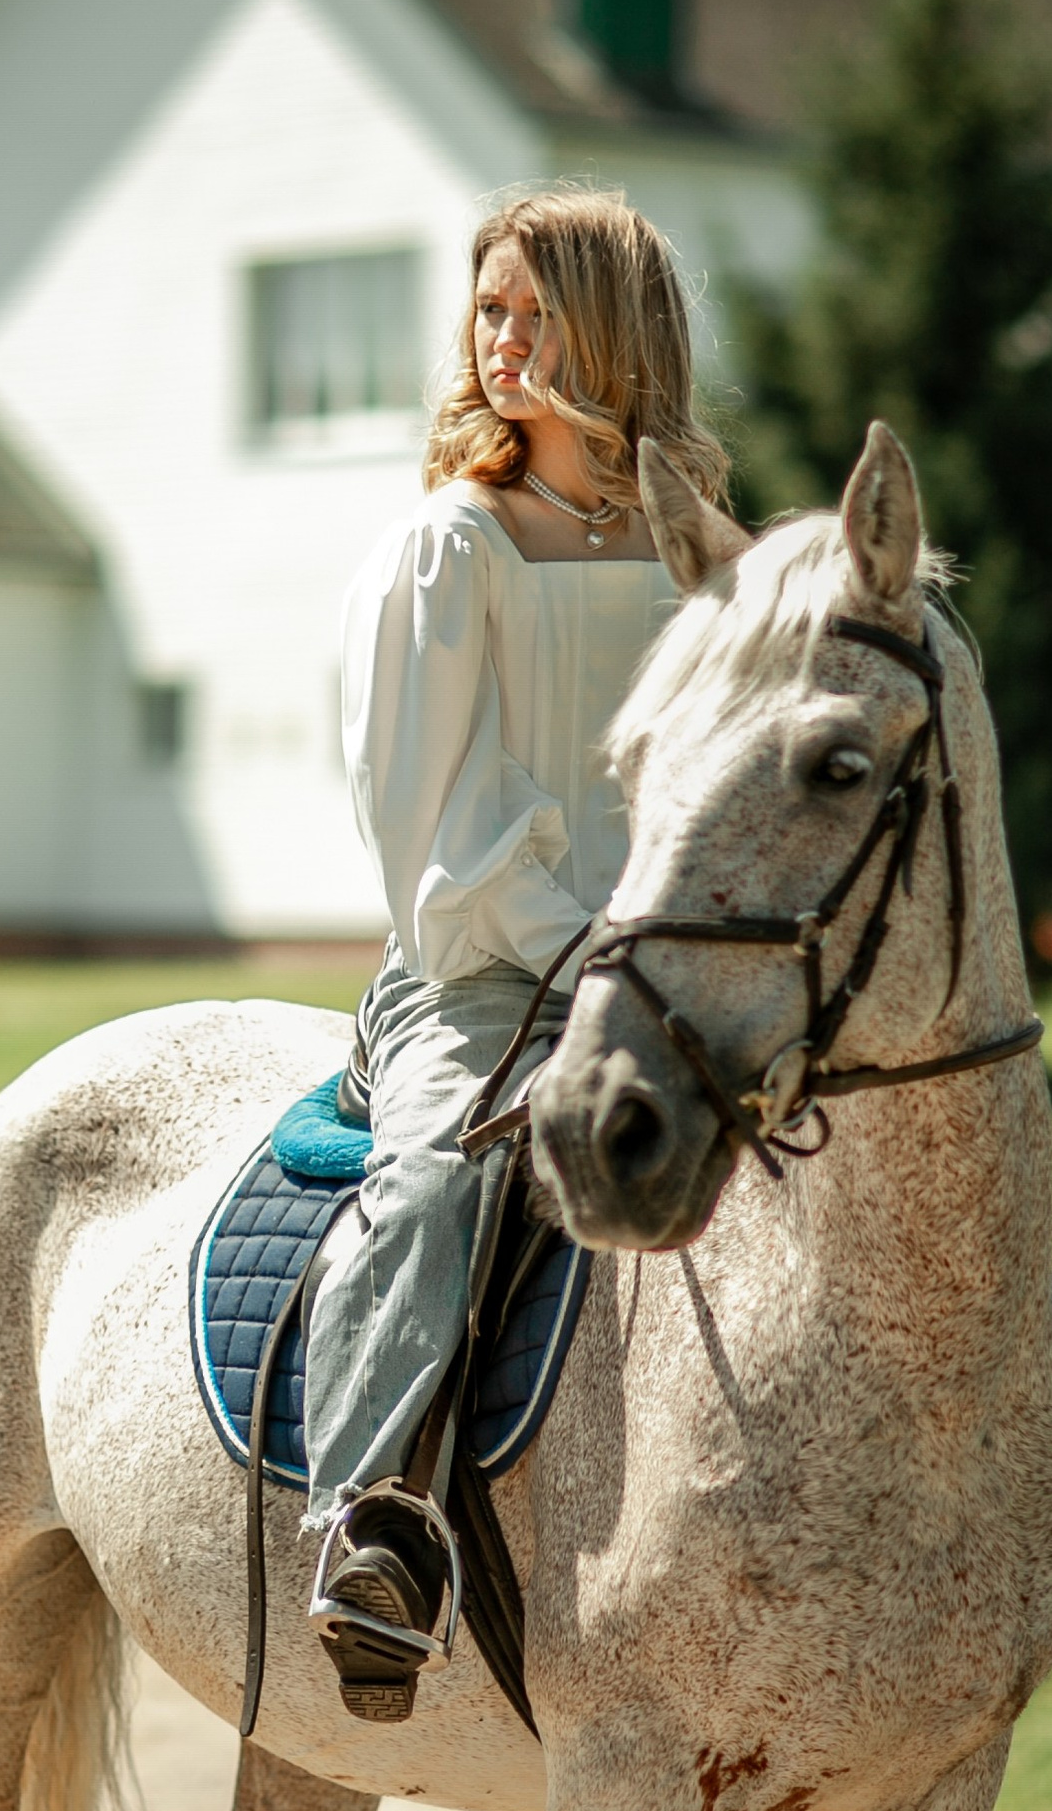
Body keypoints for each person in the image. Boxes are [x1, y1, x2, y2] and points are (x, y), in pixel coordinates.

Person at [303, 185, 736, 1709]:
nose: (502, 341)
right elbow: (435, 830)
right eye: (489, 310)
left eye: (538, 314)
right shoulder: (452, 547)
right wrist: (594, 952)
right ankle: (371, 1521)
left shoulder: (699, 551)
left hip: (683, 964)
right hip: (488, 969)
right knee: (435, 1179)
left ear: (619, 334)